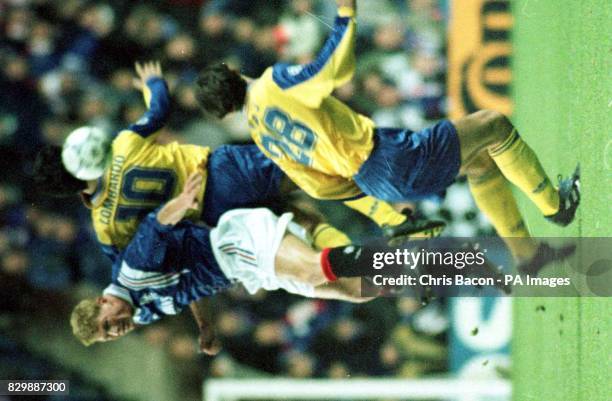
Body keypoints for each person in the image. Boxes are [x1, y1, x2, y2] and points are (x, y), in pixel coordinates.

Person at [194, 0, 580, 274]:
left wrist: (382, 211)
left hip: (375, 178)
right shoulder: (271, 84)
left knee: (480, 161)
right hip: (387, 156)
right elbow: (330, 71)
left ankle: (528, 256)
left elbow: (320, 188)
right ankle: (556, 206)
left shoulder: (262, 136)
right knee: (493, 125)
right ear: (231, 70)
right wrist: (346, 14)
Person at [33, 61, 443, 265]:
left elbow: (130, 264)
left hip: (214, 218)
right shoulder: (123, 146)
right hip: (224, 171)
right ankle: (399, 224)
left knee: (303, 221)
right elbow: (159, 109)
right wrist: (152, 83)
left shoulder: (104, 225)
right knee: (313, 172)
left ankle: (367, 266)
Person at [70, 171, 378, 353]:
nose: (115, 331)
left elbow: (155, 226)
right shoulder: (143, 314)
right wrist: (204, 325)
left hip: (233, 245)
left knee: (313, 270)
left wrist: (181, 203)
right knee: (357, 292)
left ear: (103, 301)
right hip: (246, 270)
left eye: (107, 325)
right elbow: (182, 291)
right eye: (107, 336)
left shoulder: (133, 273)